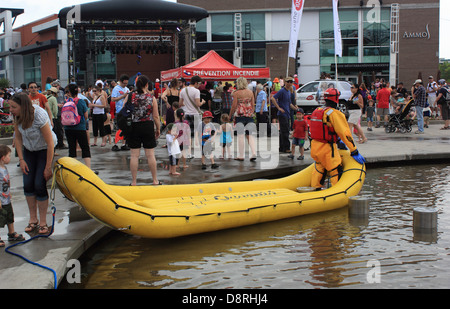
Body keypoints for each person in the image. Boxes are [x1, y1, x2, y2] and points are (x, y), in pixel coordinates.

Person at [9, 93, 56, 235]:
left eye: (13, 107)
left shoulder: (39, 115)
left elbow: (50, 143)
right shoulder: (17, 116)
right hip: (29, 150)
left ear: (23, 107)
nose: (10, 110)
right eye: (10, 106)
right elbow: (17, 138)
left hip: (44, 149)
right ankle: (33, 219)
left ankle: (43, 222)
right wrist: (21, 160)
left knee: (39, 184)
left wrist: (48, 167)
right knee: (28, 183)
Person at [309, 88, 365, 189]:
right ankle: (337, 192)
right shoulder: (334, 114)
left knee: (319, 169)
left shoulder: (317, 111)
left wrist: (338, 141)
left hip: (315, 147)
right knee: (336, 170)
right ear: (336, 99)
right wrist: (354, 150)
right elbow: (345, 133)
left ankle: (315, 189)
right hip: (327, 148)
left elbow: (321, 129)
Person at [128, 75, 161, 186]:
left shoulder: (130, 96)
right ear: (147, 85)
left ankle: (133, 181)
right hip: (147, 125)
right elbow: (156, 116)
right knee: (150, 155)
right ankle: (155, 180)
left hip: (134, 126)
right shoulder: (151, 98)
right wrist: (158, 128)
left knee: (134, 155)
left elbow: (124, 110)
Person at [0, 145, 25, 247]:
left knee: (10, 216)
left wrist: (8, 193)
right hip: (1, 200)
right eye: (9, 156)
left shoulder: (4, 168)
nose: (10, 158)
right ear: (3, 157)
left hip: (6, 199)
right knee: (0, 218)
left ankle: (12, 233)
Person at [64, 83, 92, 168]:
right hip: (80, 128)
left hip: (68, 128)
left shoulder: (66, 102)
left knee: (72, 148)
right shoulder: (81, 101)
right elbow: (86, 116)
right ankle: (88, 168)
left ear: (69, 92)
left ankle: (73, 168)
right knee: (85, 147)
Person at [229, 77, 257, 161]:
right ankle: (253, 153)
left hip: (240, 116)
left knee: (240, 136)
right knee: (249, 135)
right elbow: (252, 105)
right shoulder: (250, 92)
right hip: (249, 116)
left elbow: (234, 106)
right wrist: (251, 113)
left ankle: (241, 155)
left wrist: (230, 115)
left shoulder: (237, 93)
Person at [270, 76, 299, 153]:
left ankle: (282, 147)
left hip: (287, 114)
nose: (290, 83)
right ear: (285, 82)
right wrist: (278, 108)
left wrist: (296, 109)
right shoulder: (282, 91)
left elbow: (289, 104)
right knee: (285, 131)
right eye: (288, 82)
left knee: (283, 131)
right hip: (282, 114)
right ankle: (286, 148)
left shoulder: (289, 92)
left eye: (291, 82)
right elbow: (273, 98)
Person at [111, 74, 130, 151]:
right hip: (119, 110)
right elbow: (112, 99)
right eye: (124, 83)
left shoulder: (127, 89)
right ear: (121, 82)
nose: (125, 85)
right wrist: (123, 96)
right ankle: (115, 144)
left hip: (126, 111)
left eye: (126, 83)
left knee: (125, 128)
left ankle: (123, 144)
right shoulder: (116, 88)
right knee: (119, 128)